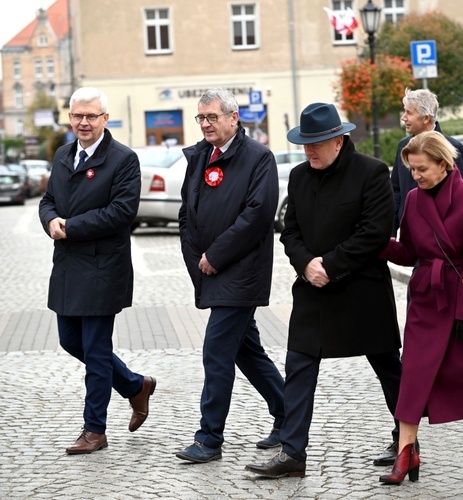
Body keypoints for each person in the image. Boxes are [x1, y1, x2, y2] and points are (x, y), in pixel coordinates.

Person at [245, 102, 403, 478]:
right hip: (313, 291)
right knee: (298, 366)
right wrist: (307, 264)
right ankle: (292, 453)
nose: (309, 150)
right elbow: (290, 231)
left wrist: (330, 265)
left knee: (388, 369)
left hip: (362, 291)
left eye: (317, 143)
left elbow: (375, 232)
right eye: (305, 144)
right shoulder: (299, 176)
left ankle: (406, 440)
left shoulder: (372, 172)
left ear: (339, 140)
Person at [39, 87, 155, 454]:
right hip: (69, 265)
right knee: (71, 341)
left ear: (105, 118)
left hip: (104, 266)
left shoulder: (123, 159)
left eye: (91, 116)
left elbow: (122, 212)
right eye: (77, 116)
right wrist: (50, 221)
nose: (83, 122)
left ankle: (95, 430)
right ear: (69, 118)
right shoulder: (62, 155)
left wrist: (69, 226)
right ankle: (136, 385)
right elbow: (47, 201)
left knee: (95, 347)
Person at [175, 88, 285, 463]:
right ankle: (288, 415)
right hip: (210, 269)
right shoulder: (200, 155)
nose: (206, 124)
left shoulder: (259, 157)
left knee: (216, 352)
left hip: (242, 272)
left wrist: (216, 256)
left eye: (212, 117)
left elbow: (257, 215)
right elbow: (187, 212)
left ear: (233, 118)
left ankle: (209, 439)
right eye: (201, 118)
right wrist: (196, 258)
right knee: (247, 351)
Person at [378, 131, 463, 484]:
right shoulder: (413, 200)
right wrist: (378, 244)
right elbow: (410, 252)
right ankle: (406, 452)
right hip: (426, 300)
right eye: (411, 169)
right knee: (412, 376)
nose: (416, 176)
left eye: (422, 169)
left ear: (445, 165)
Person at [391, 88, 463, 237]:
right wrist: (392, 231)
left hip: (442, 235)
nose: (403, 118)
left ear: (426, 118)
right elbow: (396, 190)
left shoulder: (452, 148)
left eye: (409, 113)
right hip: (410, 233)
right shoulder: (403, 146)